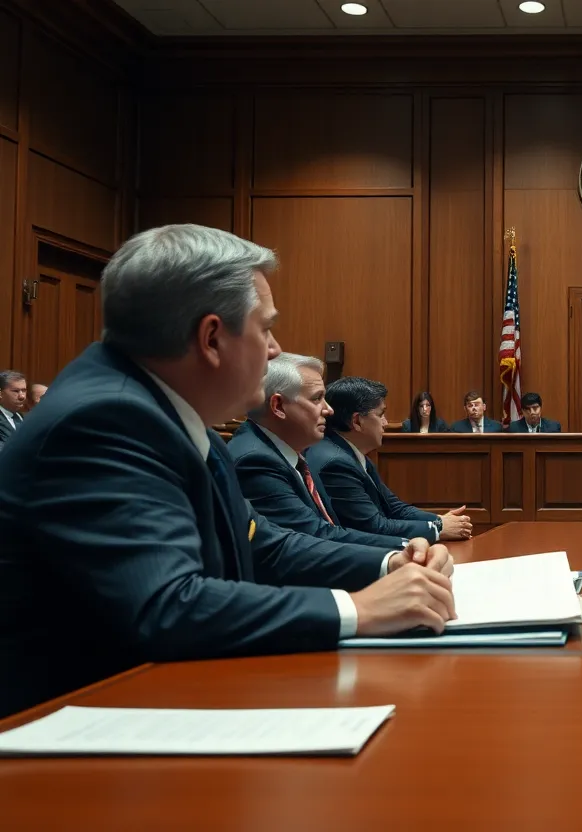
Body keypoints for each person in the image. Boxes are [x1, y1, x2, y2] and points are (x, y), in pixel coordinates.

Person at [0, 224, 456, 719]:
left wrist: (389, 565)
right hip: (70, 746)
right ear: (212, 338)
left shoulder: (172, 413)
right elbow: (167, 606)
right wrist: (360, 610)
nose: (277, 349)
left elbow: (263, 544)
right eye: (265, 328)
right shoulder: (105, 420)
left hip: (159, 707)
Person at [230, 353, 413, 549]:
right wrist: (404, 549)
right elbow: (316, 537)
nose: (329, 410)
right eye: (317, 398)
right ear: (279, 406)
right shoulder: (256, 461)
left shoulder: (288, 452)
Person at [307, 377, 474, 541]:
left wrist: (439, 520)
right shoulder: (335, 464)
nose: (385, 423)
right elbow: (374, 527)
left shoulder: (351, 453)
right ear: (357, 421)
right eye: (381, 415)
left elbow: (394, 507)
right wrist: (437, 528)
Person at [0, 370, 27, 447]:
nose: (22, 396)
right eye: (16, 391)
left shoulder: (23, 417)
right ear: (0, 393)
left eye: (24, 390)